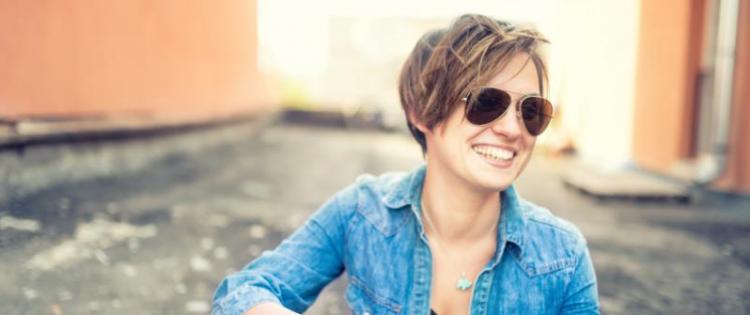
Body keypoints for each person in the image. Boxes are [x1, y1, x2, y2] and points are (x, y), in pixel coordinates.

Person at [212, 14, 600, 315]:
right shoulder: (363, 213)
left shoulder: (562, 255)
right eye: (487, 103)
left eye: (531, 110)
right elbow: (245, 290)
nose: (513, 129)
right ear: (422, 114)